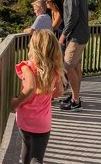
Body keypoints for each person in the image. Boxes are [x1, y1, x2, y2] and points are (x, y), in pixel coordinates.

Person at [11, 29, 65, 164]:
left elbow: (30, 87)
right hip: (43, 122)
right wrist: (46, 94)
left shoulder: (27, 66)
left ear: (33, 47)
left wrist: (17, 102)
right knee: (37, 157)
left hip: (25, 118)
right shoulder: (54, 69)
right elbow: (59, 91)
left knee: (26, 149)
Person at [56, 0, 89, 111]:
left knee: (68, 66)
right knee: (75, 67)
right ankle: (75, 96)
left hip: (76, 36)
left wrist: (63, 35)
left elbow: (73, 16)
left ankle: (76, 102)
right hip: (79, 35)